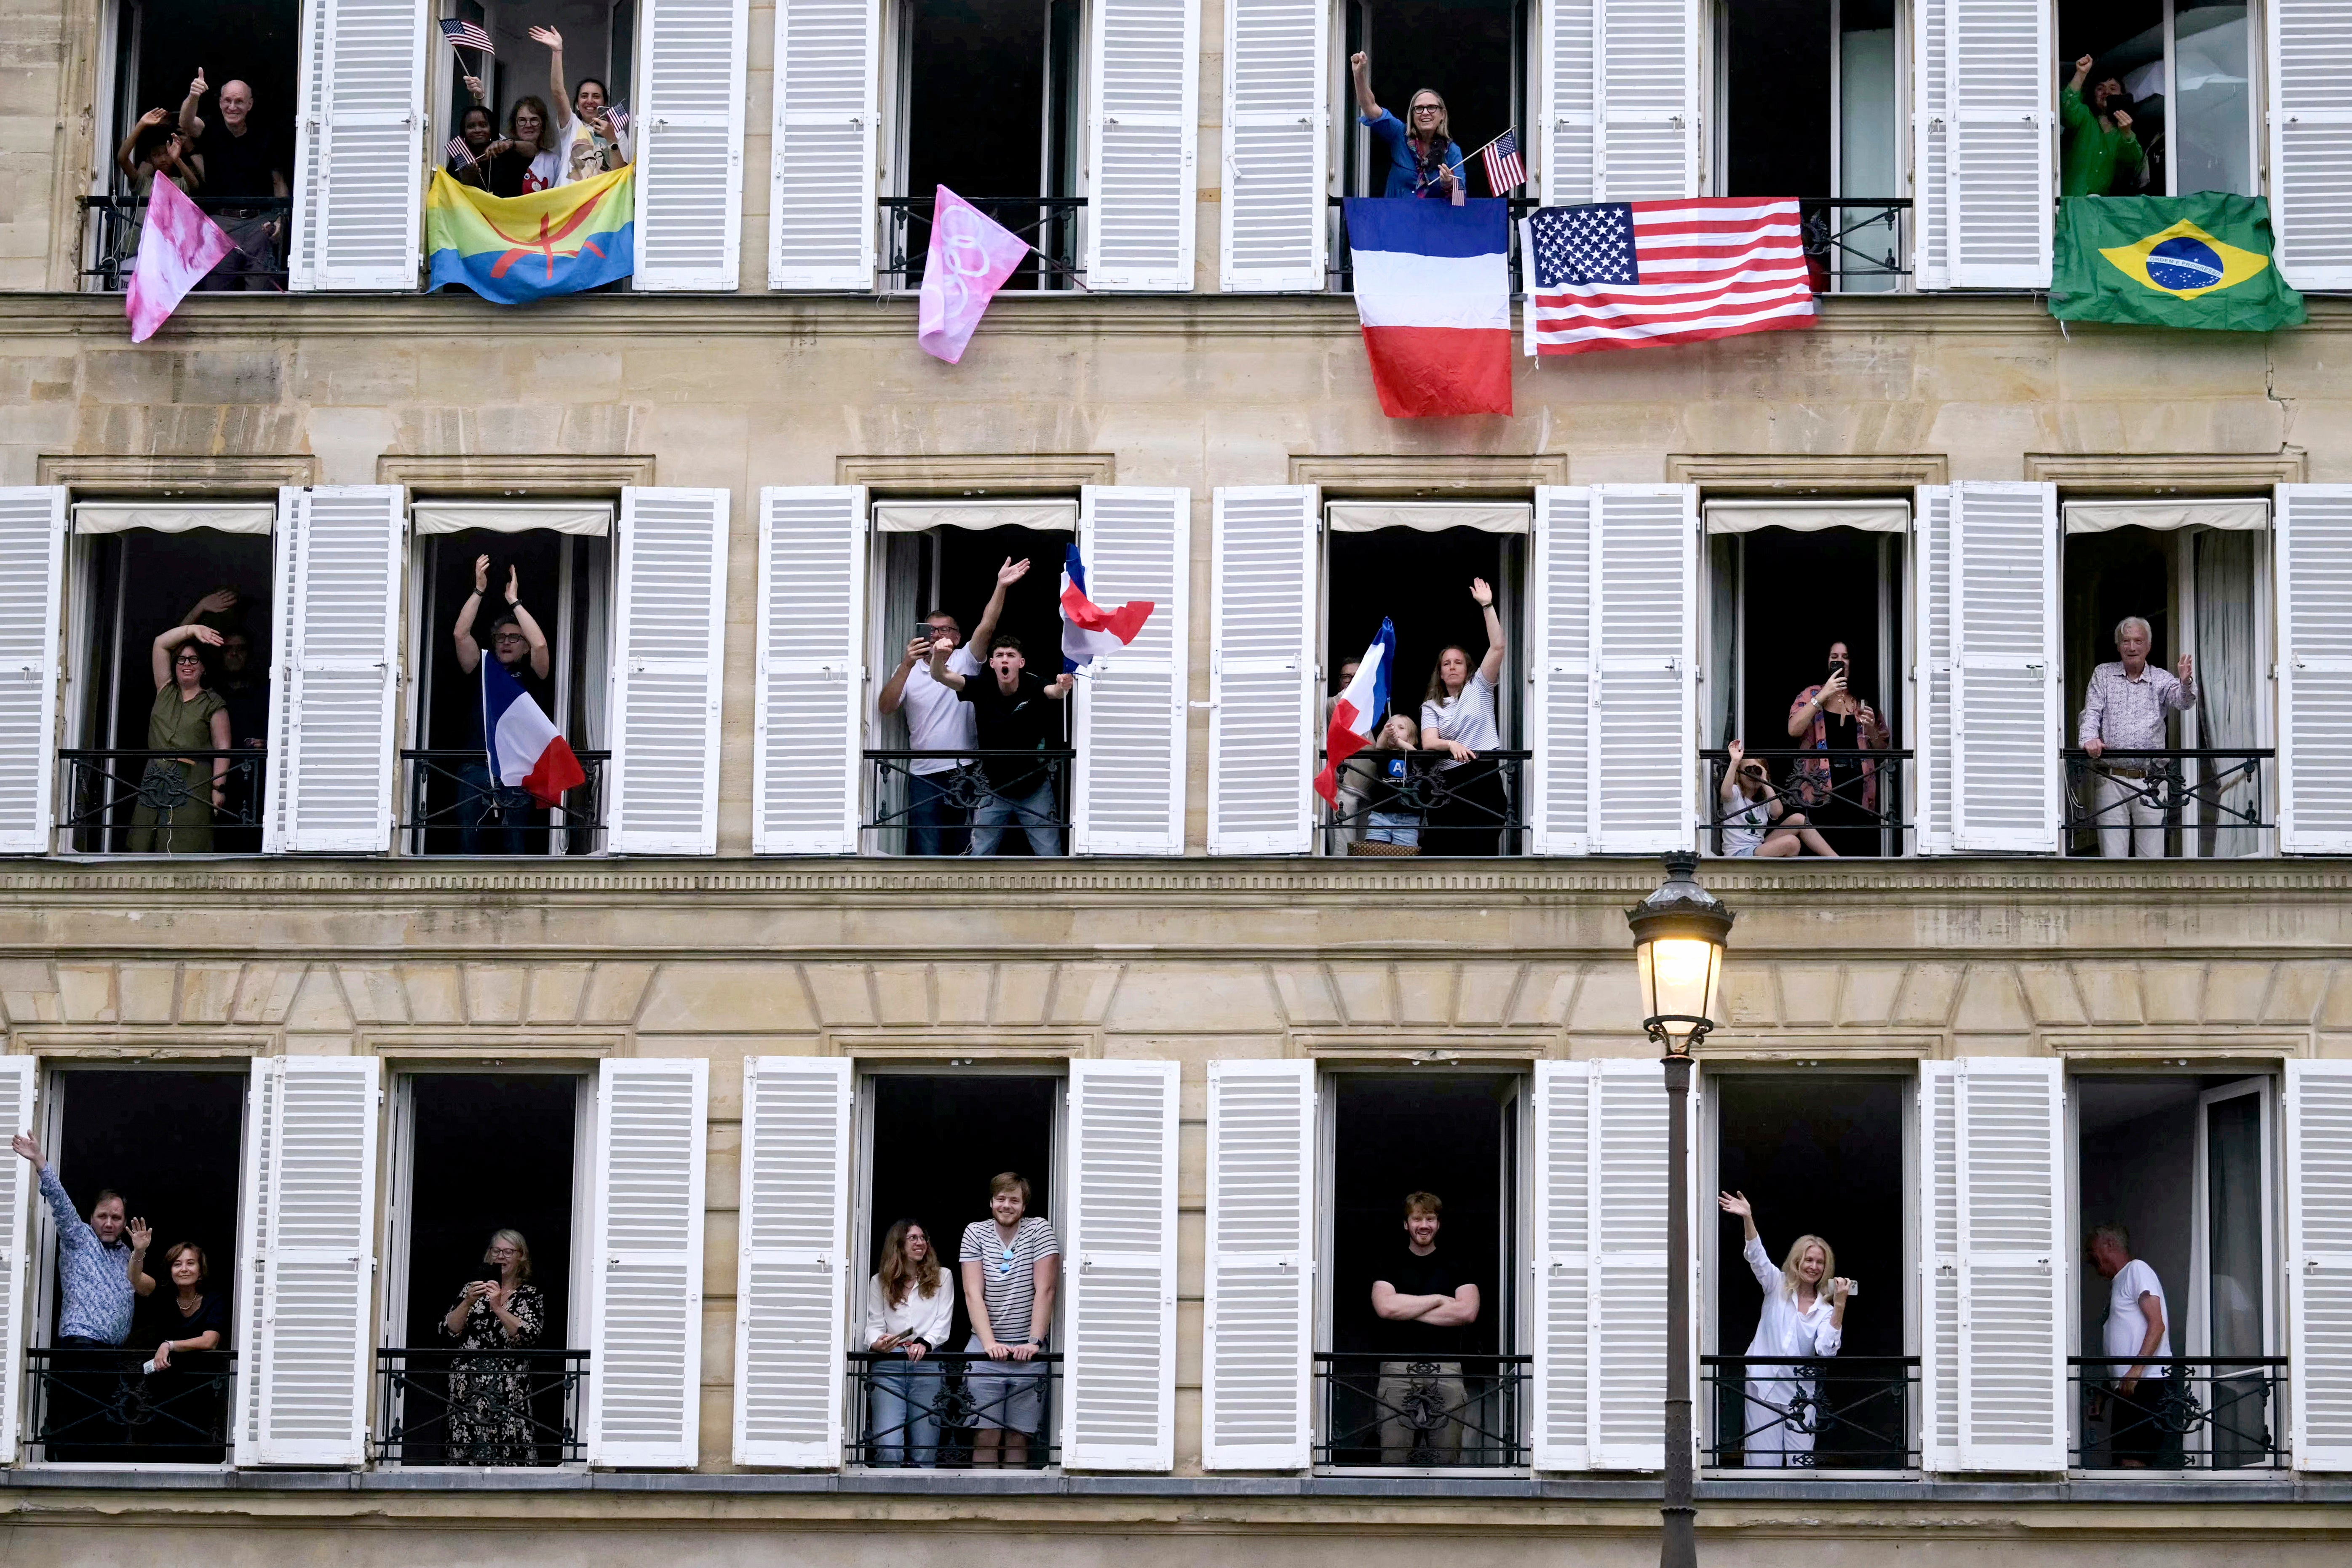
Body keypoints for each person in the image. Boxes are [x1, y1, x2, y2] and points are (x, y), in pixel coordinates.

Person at [875, 558, 1028, 855]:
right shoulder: (906, 668)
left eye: (944, 630)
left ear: (956, 638)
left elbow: (988, 626)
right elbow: (885, 706)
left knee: (964, 850)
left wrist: (1001, 586)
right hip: (922, 774)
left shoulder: (964, 660)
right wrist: (906, 664)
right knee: (927, 850)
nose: (936, 635)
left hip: (964, 771)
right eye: (930, 630)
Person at [13, 1135, 140, 1457]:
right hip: (82, 1350)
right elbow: (60, 1202)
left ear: (125, 1221)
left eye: (116, 1217)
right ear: (92, 1216)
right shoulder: (79, 1238)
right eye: (103, 1216)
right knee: (79, 1431)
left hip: (112, 1356)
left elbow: (146, 1286)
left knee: (109, 1433)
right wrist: (41, 1162)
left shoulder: (127, 1253)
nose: (109, 1223)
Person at [1717, 1192, 1849, 1467]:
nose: (1814, 1266)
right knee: (1762, 1464)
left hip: (1800, 1394)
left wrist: (1839, 1306)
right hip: (1762, 1385)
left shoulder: (1824, 1310)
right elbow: (1757, 1256)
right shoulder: (1776, 1285)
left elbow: (1826, 1350)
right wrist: (1748, 1218)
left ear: (1826, 1268)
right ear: (1797, 1261)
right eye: (1809, 1259)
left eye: (1820, 1262)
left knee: (1802, 1465)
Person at [930, 634, 1074, 857]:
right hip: (992, 787)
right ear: (993, 663)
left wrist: (1062, 685)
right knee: (979, 853)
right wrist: (938, 657)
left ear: (1021, 663)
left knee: (1050, 854)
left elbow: (1054, 692)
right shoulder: (982, 684)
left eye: (1011, 655)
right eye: (1000, 656)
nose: (1005, 660)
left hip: (1034, 787)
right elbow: (942, 676)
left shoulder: (1033, 683)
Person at [451, 556, 554, 854]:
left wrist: (514, 601)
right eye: (501, 637)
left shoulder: (534, 673)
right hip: (475, 768)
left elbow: (541, 646)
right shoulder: (482, 667)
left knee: (515, 851)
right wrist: (479, 591)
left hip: (516, 769)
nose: (506, 642)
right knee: (468, 851)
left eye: (514, 637)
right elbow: (460, 634)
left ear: (523, 644)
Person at [957, 1173, 1060, 1468]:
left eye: (1014, 1200)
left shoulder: (1039, 1229)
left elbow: (1046, 1289)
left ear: (1024, 1205)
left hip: (1027, 1353)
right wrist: (989, 1344)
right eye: (1001, 1199)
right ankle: (983, 1509)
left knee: (1019, 1437)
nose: (1007, 1205)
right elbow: (972, 1292)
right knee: (986, 1435)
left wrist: (1033, 1341)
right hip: (985, 1350)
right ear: (991, 1202)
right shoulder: (975, 1232)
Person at [1370, 1191, 1478, 1465]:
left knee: (1447, 1457)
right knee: (1394, 1457)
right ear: (1406, 1224)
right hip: (1397, 1368)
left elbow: (1467, 1311)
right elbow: (1386, 1308)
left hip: (1447, 1367)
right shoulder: (1388, 1263)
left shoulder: (1458, 1264)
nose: (1424, 1225)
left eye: (1430, 1218)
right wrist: (1440, 1300)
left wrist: (1408, 1310)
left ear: (1439, 1224)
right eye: (1417, 1218)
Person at [2081, 618, 2197, 860]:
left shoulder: (2161, 678)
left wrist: (2186, 683)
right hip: (2112, 779)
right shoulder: (2103, 674)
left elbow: (2183, 702)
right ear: (2118, 646)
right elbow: (2091, 712)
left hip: (2151, 781)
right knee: (2113, 860)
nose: (2132, 647)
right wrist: (2090, 738)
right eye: (2126, 641)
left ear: (2148, 647)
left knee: (2151, 860)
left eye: (2138, 641)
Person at [439, 1230, 547, 1466]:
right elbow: (448, 1331)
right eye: (496, 1251)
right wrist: (468, 1301)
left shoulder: (529, 1295)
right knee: (467, 1452)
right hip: (467, 1387)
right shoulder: (472, 1290)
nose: (501, 1256)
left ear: (521, 1257)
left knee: (507, 1453)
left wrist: (498, 1307)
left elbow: (529, 1336)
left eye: (508, 1252)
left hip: (508, 1388)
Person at [176, 69, 289, 289]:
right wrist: (193, 96)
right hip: (220, 225)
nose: (232, 107)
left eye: (239, 102)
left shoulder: (266, 136)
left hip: (259, 224)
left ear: (250, 105)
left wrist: (280, 220)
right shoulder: (210, 128)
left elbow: (279, 183)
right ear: (220, 103)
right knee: (216, 294)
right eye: (227, 101)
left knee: (259, 294)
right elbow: (187, 123)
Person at [1419, 578, 1508, 855]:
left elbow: (1498, 647)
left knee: (1483, 848)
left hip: (1482, 776)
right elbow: (1428, 742)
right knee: (1447, 850)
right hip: (1450, 783)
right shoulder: (1431, 706)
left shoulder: (1479, 687)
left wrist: (1488, 605)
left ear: (1467, 666)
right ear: (1441, 672)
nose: (1453, 667)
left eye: (1458, 662)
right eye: (1447, 663)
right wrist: (1451, 745)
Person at [128, 618, 230, 853]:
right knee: (142, 843)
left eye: (194, 659)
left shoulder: (214, 704)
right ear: (174, 666)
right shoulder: (164, 689)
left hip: (194, 782)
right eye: (182, 660)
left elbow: (223, 749)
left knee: (185, 844)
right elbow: (160, 644)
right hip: (154, 778)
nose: (187, 664)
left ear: (204, 666)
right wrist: (192, 630)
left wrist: (218, 789)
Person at [861, 1219, 955, 1467]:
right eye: (913, 1238)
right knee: (888, 1446)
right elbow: (874, 1324)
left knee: (925, 1451)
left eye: (923, 1238)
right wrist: (877, 1342)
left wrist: (926, 1343)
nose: (920, 1242)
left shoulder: (943, 1277)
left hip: (927, 1366)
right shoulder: (879, 1282)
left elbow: (944, 1321)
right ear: (898, 1244)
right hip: (889, 1366)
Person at [1785, 641, 1889, 857]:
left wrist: (1871, 730)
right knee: (1822, 853)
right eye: (1834, 656)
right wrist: (1823, 695)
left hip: (1858, 789)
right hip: (1821, 788)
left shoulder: (1863, 699)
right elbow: (1794, 730)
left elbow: (1883, 749)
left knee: (1855, 850)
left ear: (1852, 663)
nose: (1839, 661)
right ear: (1827, 662)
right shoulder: (1811, 694)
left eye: (1845, 656)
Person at [2088, 1223, 2176, 1469]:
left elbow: (2157, 1325)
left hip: (2146, 1383)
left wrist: (2136, 1370)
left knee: (2132, 1463)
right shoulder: (2118, 1284)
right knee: (2123, 1462)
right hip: (2130, 1387)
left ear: (2109, 1244)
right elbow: (2123, 1346)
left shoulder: (2136, 1270)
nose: (2090, 1261)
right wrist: (2106, 1391)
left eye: (2091, 1252)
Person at [139, 1242, 230, 1454]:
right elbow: (135, 1280)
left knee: (195, 1449)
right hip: (164, 1388)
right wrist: (139, 1252)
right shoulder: (163, 1299)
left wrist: (169, 1345)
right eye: (177, 1264)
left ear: (200, 1271)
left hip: (202, 1389)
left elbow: (210, 1341)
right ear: (170, 1271)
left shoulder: (214, 1300)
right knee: (161, 1447)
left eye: (191, 1263)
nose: (184, 1269)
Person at [1348, 53, 1464, 200]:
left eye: (1432, 107)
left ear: (1443, 115)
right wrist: (1359, 74)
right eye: (1419, 108)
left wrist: (1449, 184)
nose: (1425, 113)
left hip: (1433, 223)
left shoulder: (1452, 151)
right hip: (1396, 220)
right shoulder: (1400, 134)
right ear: (1412, 116)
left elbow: (1461, 198)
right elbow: (1370, 108)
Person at [529, 27, 633, 185]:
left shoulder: (617, 133)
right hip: (569, 204)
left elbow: (620, 177)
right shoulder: (572, 126)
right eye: (584, 96)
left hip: (599, 205)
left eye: (596, 96)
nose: (590, 101)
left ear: (604, 103)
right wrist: (557, 52)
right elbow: (558, 91)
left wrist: (611, 139)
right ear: (577, 104)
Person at [211, 621, 270, 852]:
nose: (234, 654)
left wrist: (268, 743)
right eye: (228, 649)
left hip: (256, 781)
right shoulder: (210, 692)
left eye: (241, 649)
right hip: (218, 781)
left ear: (250, 654)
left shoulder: (267, 692)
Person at [1719, 740, 1833, 858]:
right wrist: (1735, 762)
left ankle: (1837, 860)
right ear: (1740, 774)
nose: (1753, 774)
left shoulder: (1763, 801)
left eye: (1757, 770)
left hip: (1758, 847)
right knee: (1791, 843)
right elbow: (1725, 793)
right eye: (1748, 770)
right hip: (1740, 853)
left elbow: (1778, 812)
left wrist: (1764, 780)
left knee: (1799, 819)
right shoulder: (1735, 793)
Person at [2061, 56, 2144, 199]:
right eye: (2100, 88)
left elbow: (2134, 163)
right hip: (2071, 205)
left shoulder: (2122, 133)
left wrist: (2127, 134)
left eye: (2113, 88)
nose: (2106, 92)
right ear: (2094, 95)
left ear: (2122, 96)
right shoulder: (2085, 118)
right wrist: (2081, 74)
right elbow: (2068, 108)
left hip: (2100, 209)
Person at [460, 81, 560, 196]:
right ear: (515, 126)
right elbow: (483, 127)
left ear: (543, 125)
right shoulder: (503, 150)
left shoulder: (553, 161)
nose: (528, 125)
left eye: (534, 120)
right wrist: (479, 98)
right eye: (522, 120)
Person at [1347, 713, 1425, 853]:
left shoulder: (1412, 755)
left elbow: (1415, 753)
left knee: (1406, 858)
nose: (1394, 730)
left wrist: (1399, 742)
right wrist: (1386, 735)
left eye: (1401, 728)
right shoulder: (1384, 754)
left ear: (1411, 739)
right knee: (1375, 854)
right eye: (1391, 727)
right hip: (1381, 815)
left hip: (1408, 818)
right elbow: (1379, 747)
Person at [115, 109, 203, 202]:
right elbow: (122, 159)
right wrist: (141, 125)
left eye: (167, 154)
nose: (163, 159)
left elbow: (195, 185)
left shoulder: (180, 183)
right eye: (156, 155)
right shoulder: (144, 183)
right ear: (150, 159)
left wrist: (177, 159)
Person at [1326, 657, 1366, 847]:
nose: (1352, 680)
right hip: (1344, 794)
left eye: (1357, 677)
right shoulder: (1331, 704)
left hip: (1369, 794)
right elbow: (1342, 703)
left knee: (1367, 856)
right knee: (1345, 854)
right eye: (1347, 677)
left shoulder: (1369, 710)